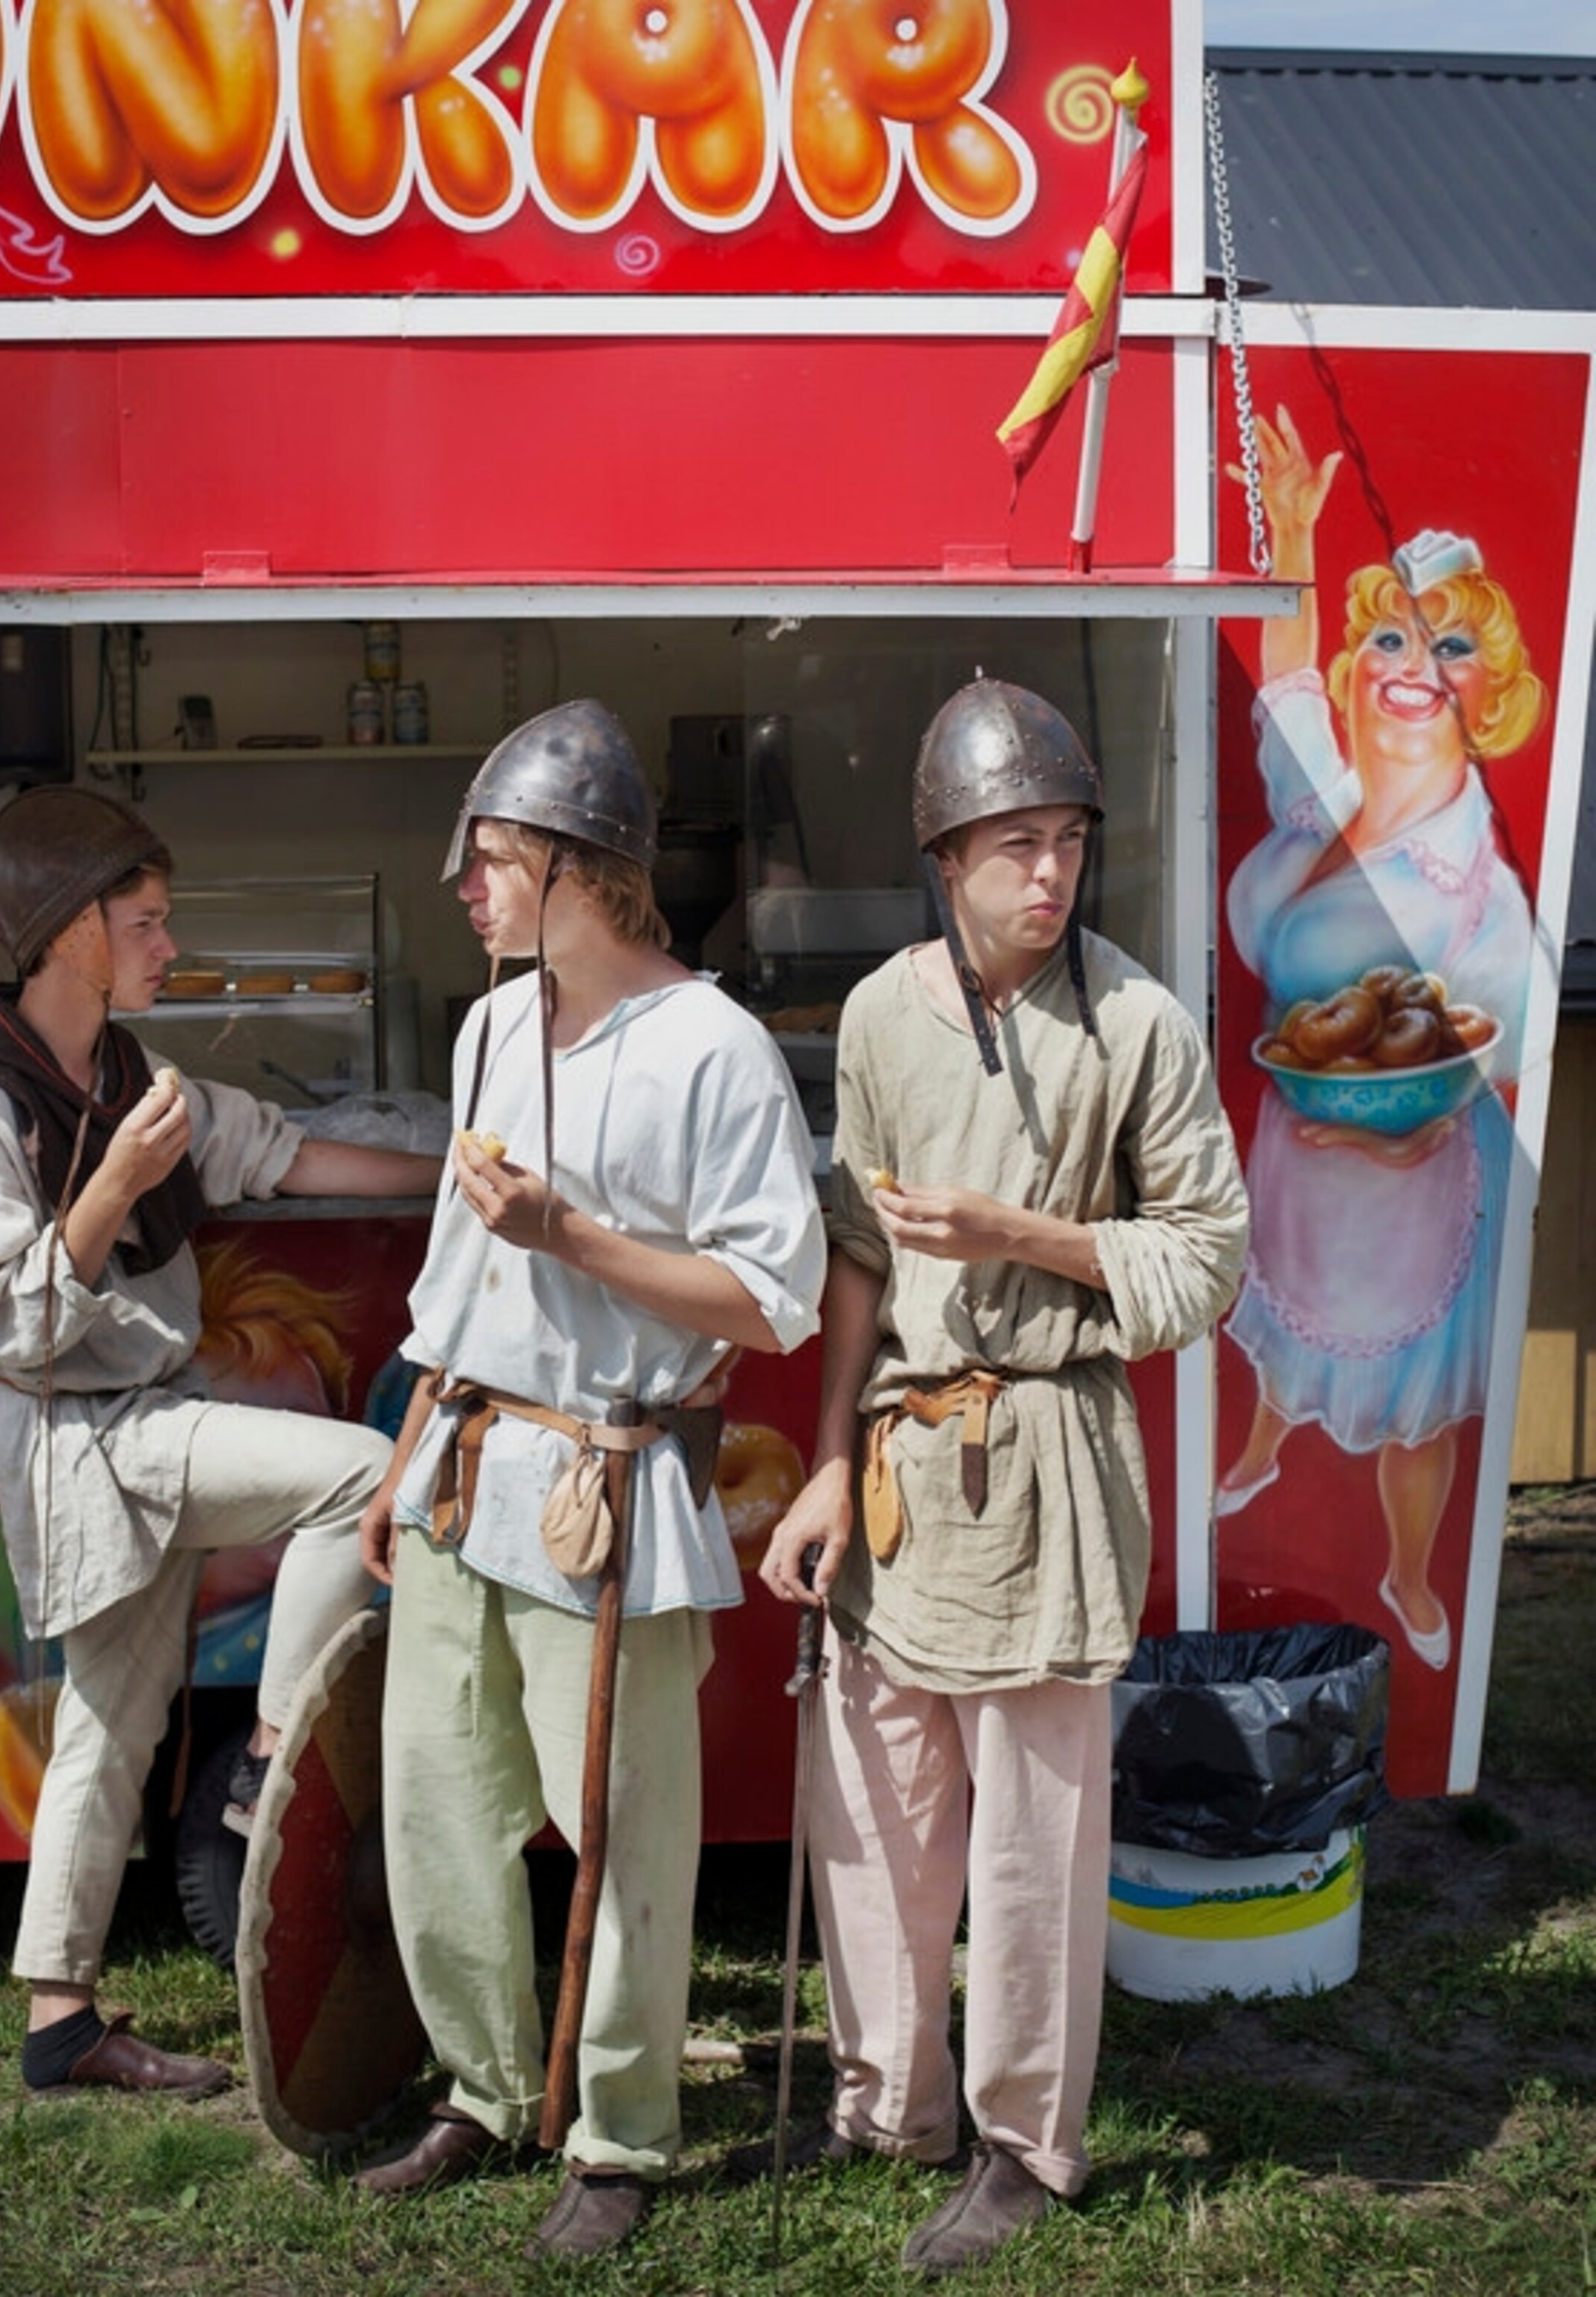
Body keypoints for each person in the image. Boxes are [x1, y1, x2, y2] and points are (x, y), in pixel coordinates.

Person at [756, 678, 1248, 2278]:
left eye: (1070, 843)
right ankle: (887, 2104)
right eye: (1017, 844)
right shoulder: (880, 1017)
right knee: (878, 1807)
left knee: (1033, 1840)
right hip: (903, 1461)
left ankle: (1026, 2142)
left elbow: (1208, 1257)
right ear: (946, 858)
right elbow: (853, 1249)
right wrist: (827, 1462)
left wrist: (1022, 1235)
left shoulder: (1139, 1023)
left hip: (1048, 1454)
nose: (1051, 873)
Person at [354, 701, 825, 2258]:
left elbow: (770, 1300)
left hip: (604, 1483)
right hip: (463, 1468)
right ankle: (486, 2088)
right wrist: (405, 1456)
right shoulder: (493, 1024)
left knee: (623, 1833)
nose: (465, 886)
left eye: (492, 859)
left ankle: (618, 2134)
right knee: (436, 1802)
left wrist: (573, 1236)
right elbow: (454, 1277)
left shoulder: (712, 1049)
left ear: (581, 869)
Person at [0, 785, 443, 2100]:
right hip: (87, 1443)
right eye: (144, 922)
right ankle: (271, 1756)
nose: (169, 944)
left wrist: (456, 1180)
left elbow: (289, 1156)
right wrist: (113, 1186)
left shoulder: (130, 1079)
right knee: (363, 1479)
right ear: (71, 931)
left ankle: (58, 2020)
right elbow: (7, 1328)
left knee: (109, 1727)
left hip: (142, 1428)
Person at [1216, 407, 1542, 1673]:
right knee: (1282, 1323)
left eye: (1451, 645)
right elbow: (1286, 678)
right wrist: (1295, 540)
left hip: (1414, 1185)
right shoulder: (1323, 804)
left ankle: (1408, 1573)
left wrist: (1408, 1132)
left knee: (1415, 1402)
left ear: (1492, 697)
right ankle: (1260, 1449)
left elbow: (1493, 1055)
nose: (1414, 664)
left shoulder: (1478, 891)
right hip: (1298, 1159)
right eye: (1395, 635)